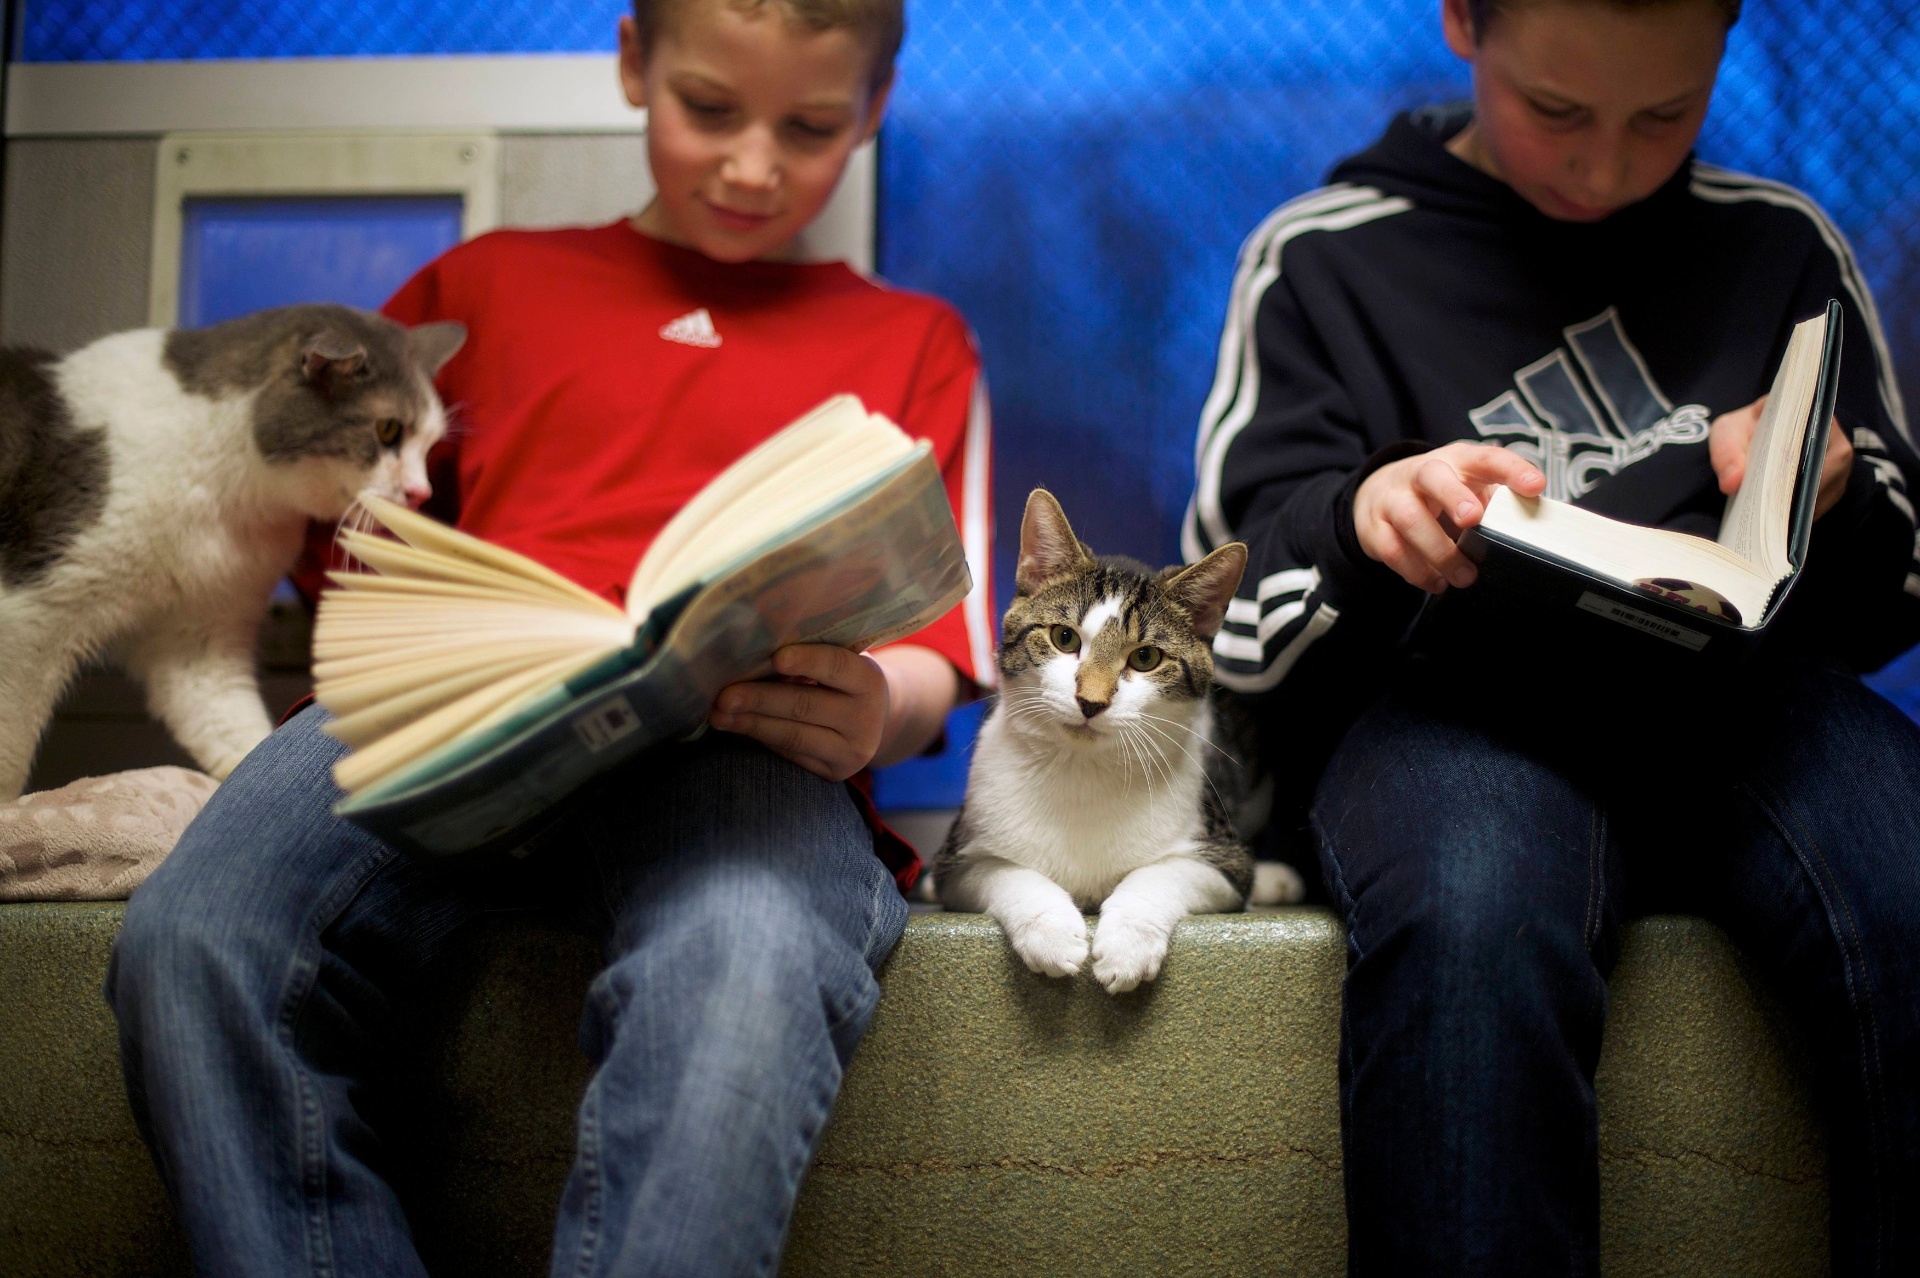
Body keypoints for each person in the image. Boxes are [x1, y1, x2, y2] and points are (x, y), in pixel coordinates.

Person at [106, 0, 993, 1273]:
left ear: (874, 108)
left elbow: (935, 649)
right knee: (197, 938)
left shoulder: (915, 341)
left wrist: (879, 708)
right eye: (709, 109)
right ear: (632, 62)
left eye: (807, 128)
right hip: (450, 708)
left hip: (743, 747)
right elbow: (341, 537)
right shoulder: (482, 288)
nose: (753, 165)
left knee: (745, 963)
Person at [1183, 0, 1920, 1272]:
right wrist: (1361, 525)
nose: (1604, 164)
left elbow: (1893, 602)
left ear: (1725, 45)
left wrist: (1835, 492)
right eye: (1557, 110)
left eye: (1665, 115)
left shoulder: (1782, 243)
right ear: (1462, 22)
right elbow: (1228, 632)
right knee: (1475, 918)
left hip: (1744, 698)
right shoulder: (1321, 259)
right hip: (1451, 706)